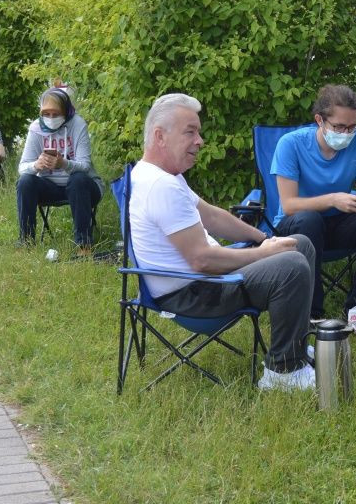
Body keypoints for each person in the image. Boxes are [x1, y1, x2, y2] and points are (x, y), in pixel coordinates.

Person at [130, 94, 316, 390]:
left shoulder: (163, 176)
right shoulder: (160, 186)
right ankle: (283, 372)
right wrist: (263, 254)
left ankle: (294, 345)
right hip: (193, 295)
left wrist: (264, 239)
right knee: (292, 264)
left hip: (203, 282)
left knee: (298, 244)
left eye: (198, 132)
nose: (200, 140)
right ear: (159, 136)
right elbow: (201, 260)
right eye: (190, 132)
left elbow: (213, 217)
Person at [271, 85, 356, 319]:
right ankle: (312, 312)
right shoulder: (291, 144)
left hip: (337, 224)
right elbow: (289, 205)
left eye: (352, 127)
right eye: (339, 127)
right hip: (295, 227)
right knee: (309, 220)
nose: (346, 133)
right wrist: (334, 199)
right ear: (319, 120)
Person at [16, 87, 103, 249]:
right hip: (50, 187)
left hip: (84, 188)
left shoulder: (77, 124)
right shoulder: (35, 128)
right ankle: (25, 242)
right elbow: (22, 168)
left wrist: (63, 163)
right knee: (25, 181)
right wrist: (36, 165)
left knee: (78, 179)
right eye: (46, 114)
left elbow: (84, 165)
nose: (50, 118)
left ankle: (84, 244)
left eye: (55, 114)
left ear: (66, 111)